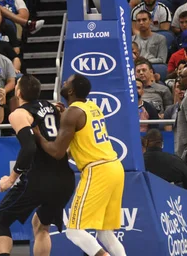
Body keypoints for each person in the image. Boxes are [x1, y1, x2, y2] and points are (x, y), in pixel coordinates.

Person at [34, 73, 126, 256]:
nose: (64, 82)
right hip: (115, 167)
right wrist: (63, 115)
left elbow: (57, 151)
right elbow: (79, 139)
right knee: (105, 233)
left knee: (74, 231)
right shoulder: (92, 107)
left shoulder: (72, 113)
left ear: (71, 90)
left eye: (67, 81)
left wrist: (37, 134)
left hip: (97, 170)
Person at [0, 75, 75, 256]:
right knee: (41, 225)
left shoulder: (19, 113)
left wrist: (10, 179)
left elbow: (28, 148)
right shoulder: (53, 107)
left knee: (0, 220)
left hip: (39, 179)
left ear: (18, 91)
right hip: (65, 179)